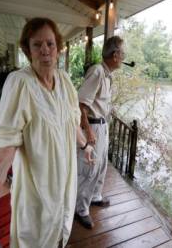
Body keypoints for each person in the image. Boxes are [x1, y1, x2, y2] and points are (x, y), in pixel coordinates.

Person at [0, 17, 94, 248]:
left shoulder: (65, 81)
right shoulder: (19, 82)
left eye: (50, 44)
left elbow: (71, 122)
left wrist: (84, 145)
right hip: (36, 186)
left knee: (60, 228)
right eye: (37, 45)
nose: (45, 50)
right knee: (36, 236)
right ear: (28, 50)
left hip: (65, 179)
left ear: (58, 48)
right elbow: (7, 138)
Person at [75, 36, 125, 229]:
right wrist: (88, 131)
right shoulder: (96, 72)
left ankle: (94, 196)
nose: (124, 57)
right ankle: (81, 209)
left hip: (102, 125)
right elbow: (81, 104)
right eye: (123, 53)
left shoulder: (107, 74)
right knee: (90, 169)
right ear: (115, 55)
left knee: (102, 165)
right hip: (93, 126)